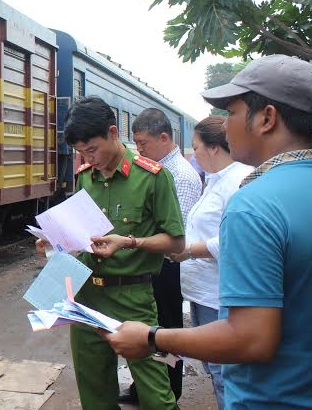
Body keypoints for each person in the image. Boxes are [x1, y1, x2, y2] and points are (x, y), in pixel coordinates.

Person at [104, 54, 312, 410]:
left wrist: (151, 337)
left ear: (267, 118)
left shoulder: (254, 204)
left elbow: (251, 338)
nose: (225, 126)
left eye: (233, 113)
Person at [36, 96, 185, 410]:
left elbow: (176, 244)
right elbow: (80, 236)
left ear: (114, 132)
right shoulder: (86, 177)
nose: (88, 157)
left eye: (92, 149)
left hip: (133, 297)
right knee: (95, 393)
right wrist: (54, 242)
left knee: (156, 395)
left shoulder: (153, 177)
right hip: (87, 296)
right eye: (80, 152)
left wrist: (129, 241)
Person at [168, 116, 253, 409]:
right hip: (202, 291)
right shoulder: (216, 179)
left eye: (196, 147)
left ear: (214, 148)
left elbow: (235, 239)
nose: (194, 154)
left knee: (223, 370)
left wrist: (189, 250)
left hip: (218, 294)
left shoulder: (239, 180)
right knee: (214, 368)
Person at [122, 108, 203, 402]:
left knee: (166, 331)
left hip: (168, 268)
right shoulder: (161, 171)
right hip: (159, 266)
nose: (139, 150)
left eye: (142, 143)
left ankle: (169, 388)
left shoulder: (178, 175)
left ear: (164, 138)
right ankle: (146, 387)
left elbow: (173, 235)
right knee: (154, 330)